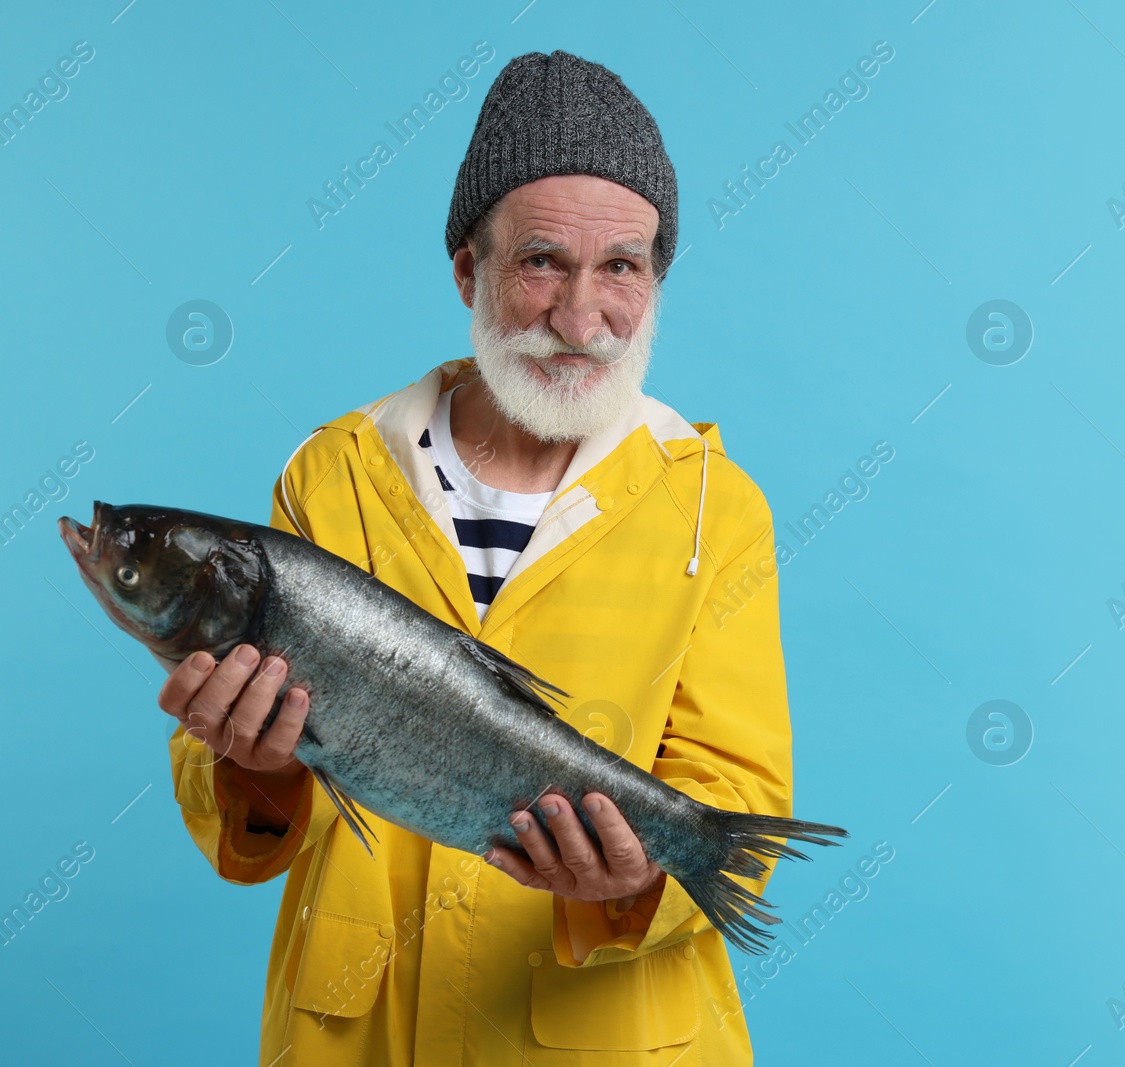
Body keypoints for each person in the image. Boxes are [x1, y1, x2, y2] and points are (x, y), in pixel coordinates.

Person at [156, 50, 793, 1065]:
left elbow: (738, 802)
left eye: (620, 266)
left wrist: (630, 886)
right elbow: (240, 806)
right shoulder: (334, 471)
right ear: (468, 268)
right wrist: (249, 766)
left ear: (656, 279)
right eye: (542, 260)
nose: (581, 318)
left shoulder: (718, 507)